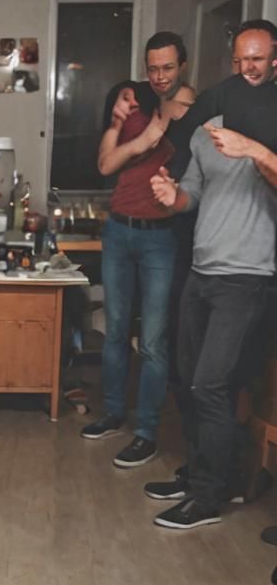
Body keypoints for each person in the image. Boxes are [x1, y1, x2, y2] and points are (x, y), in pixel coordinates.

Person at [147, 20, 277, 529]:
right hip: (202, 270)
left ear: (274, 61)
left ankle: (209, 496)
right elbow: (191, 195)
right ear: (232, 61)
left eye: (259, 58)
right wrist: (171, 197)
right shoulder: (209, 128)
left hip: (247, 276)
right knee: (187, 381)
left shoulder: (270, 122)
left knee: (211, 385)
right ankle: (196, 473)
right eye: (242, 58)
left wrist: (256, 151)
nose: (250, 67)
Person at [82, 34, 197, 468]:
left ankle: (146, 431)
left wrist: (160, 129)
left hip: (160, 237)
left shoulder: (192, 107)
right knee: (112, 330)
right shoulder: (131, 99)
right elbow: (106, 165)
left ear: (182, 65)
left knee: (151, 340)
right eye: (153, 67)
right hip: (118, 229)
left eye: (167, 67)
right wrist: (134, 132)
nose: (159, 76)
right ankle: (113, 412)